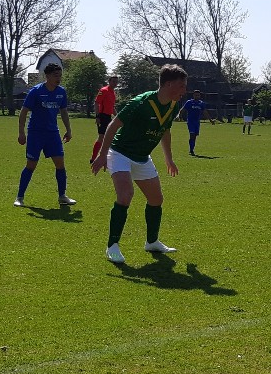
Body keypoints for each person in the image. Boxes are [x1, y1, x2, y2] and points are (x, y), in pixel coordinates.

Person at [91, 64, 186, 264]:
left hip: (142, 157)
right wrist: (101, 155)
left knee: (156, 200)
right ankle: (112, 246)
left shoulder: (173, 106)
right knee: (125, 196)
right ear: (168, 84)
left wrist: (169, 159)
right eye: (181, 86)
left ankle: (152, 242)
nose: (183, 91)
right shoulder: (141, 102)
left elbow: (165, 132)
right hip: (120, 153)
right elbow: (113, 125)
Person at [14, 63, 76, 207]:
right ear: (47, 76)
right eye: (55, 75)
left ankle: (62, 196)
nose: (58, 78)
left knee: (60, 164)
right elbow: (23, 112)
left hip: (53, 133)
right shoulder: (36, 92)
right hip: (36, 133)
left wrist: (68, 130)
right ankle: (19, 197)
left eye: (60, 75)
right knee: (31, 165)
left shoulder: (61, 92)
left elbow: (64, 112)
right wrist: (21, 132)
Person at [91, 73, 118, 164]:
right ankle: (94, 158)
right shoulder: (104, 90)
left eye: (116, 82)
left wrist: (118, 117)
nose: (115, 83)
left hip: (108, 117)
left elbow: (112, 107)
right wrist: (97, 116)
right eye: (113, 81)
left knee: (110, 137)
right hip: (102, 116)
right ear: (109, 81)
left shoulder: (113, 93)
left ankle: (107, 157)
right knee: (101, 137)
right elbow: (96, 103)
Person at [178, 89, 215, 156]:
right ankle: (191, 150)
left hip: (197, 122)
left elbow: (205, 112)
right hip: (190, 121)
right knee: (192, 135)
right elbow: (183, 109)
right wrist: (179, 116)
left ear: (200, 96)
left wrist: (210, 120)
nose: (197, 96)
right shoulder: (189, 102)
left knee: (194, 136)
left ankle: (192, 148)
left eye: (198, 95)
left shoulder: (201, 103)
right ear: (193, 95)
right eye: (195, 95)